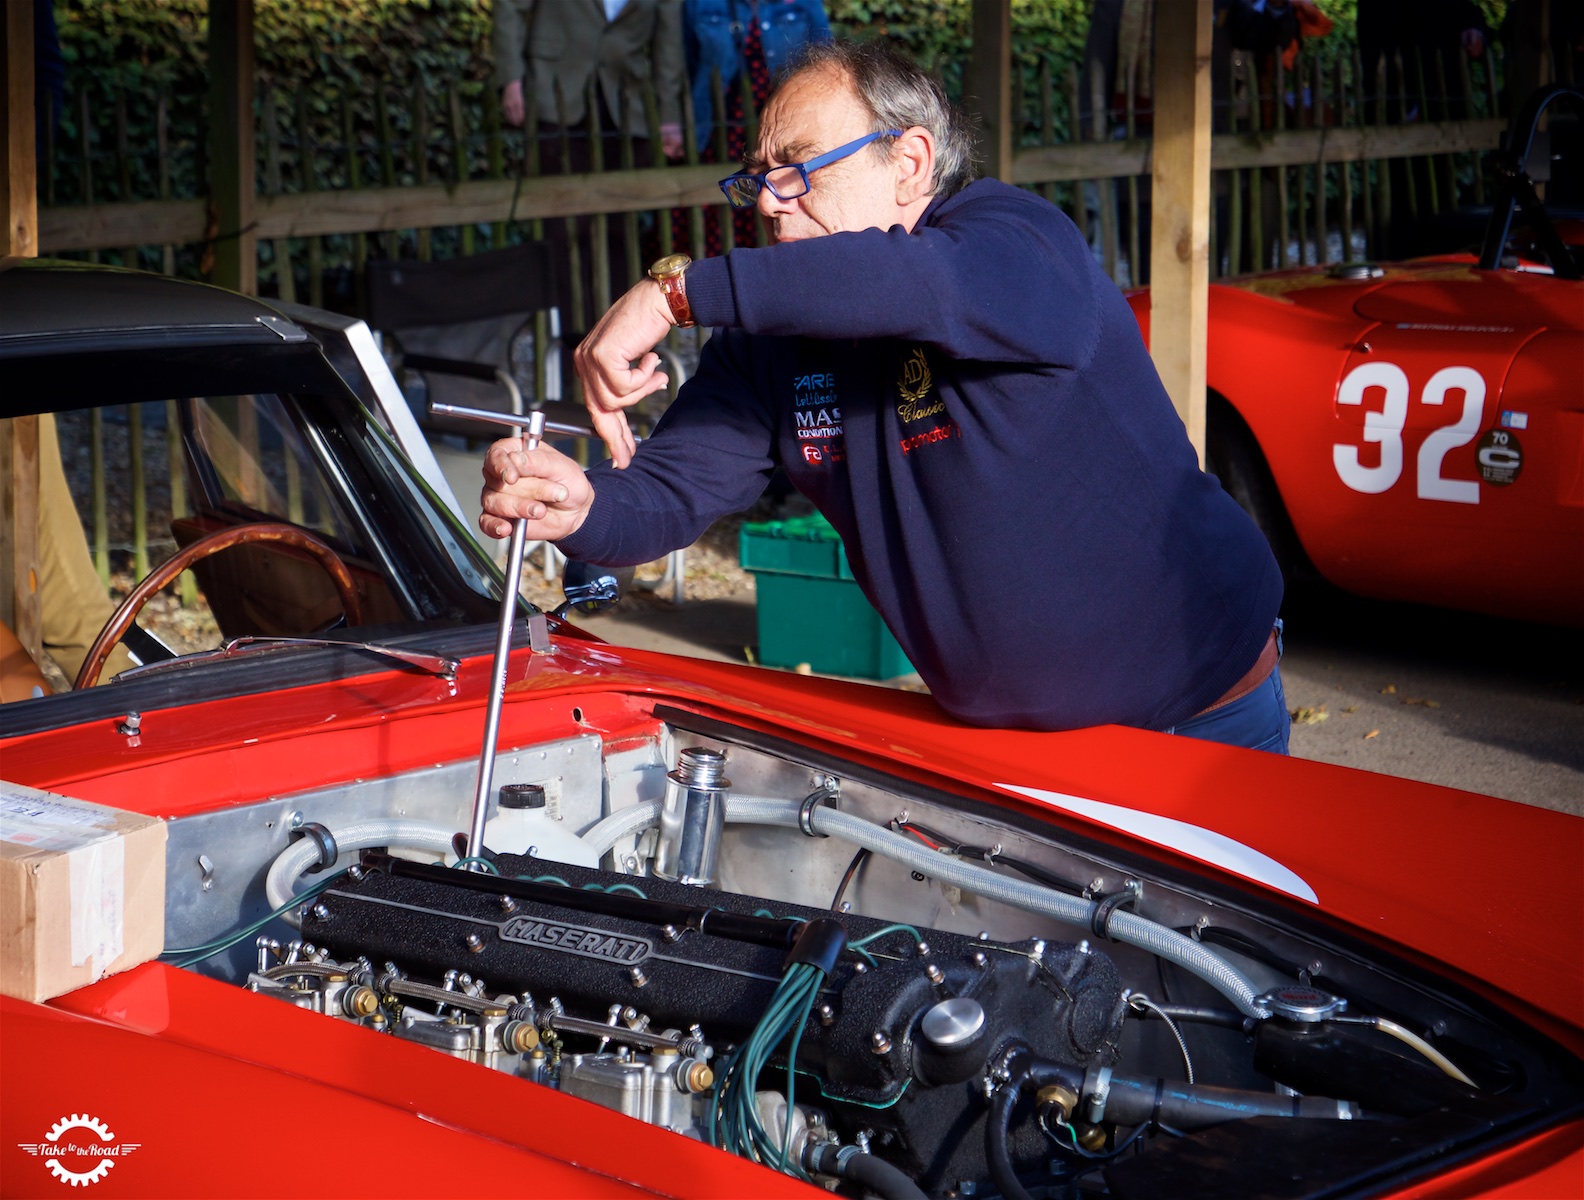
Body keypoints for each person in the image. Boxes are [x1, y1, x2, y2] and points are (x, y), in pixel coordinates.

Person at [480, 39, 1289, 751]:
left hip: (1200, 714)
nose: (768, 200)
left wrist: (672, 294)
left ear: (908, 164)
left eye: (799, 170)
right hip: (1002, 749)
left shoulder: (1014, 241)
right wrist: (581, 504)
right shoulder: (773, 341)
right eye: (760, 178)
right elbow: (670, 490)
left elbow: (910, 285)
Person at [492, 0, 687, 330]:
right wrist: (511, 77)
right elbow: (509, 7)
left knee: (621, 230)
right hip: (555, 99)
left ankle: (621, 336)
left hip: (626, 105)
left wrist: (669, 116)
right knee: (561, 230)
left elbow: (669, 42)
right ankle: (569, 339)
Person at [682, 0, 831, 254]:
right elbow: (689, 63)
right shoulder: (700, 4)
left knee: (782, 202)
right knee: (726, 210)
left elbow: (826, 63)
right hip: (720, 130)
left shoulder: (804, 3)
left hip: (786, 127)